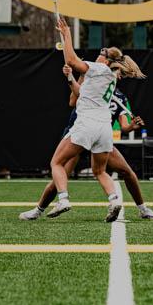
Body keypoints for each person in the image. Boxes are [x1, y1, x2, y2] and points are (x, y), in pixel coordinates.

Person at [21, 65, 153, 220]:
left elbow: (124, 126)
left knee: (126, 171)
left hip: (95, 135)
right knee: (61, 175)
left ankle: (143, 209)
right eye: (118, 73)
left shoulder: (117, 96)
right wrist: (79, 76)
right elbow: (72, 101)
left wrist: (132, 126)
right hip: (82, 133)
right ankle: (38, 209)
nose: (119, 77)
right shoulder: (93, 85)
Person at [46, 18, 146, 222]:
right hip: (104, 130)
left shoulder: (100, 69)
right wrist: (70, 78)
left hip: (86, 125)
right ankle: (114, 200)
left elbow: (73, 60)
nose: (99, 54)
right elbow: (79, 94)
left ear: (107, 59)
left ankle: (63, 198)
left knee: (56, 162)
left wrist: (66, 35)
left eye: (102, 52)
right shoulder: (109, 76)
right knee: (99, 170)